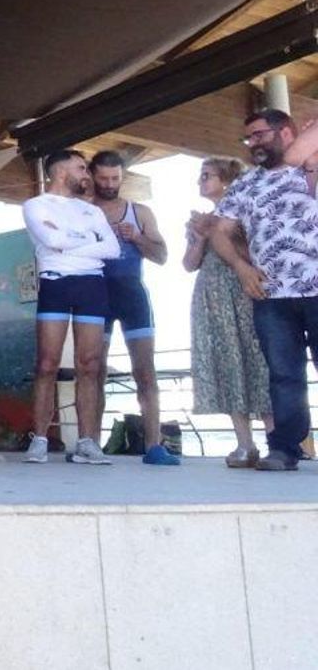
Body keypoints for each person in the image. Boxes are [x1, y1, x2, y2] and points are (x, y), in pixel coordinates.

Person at [211, 109, 318, 471]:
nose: (252, 144)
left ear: (286, 132)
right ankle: (285, 449)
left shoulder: (310, 165)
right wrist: (241, 267)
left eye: (259, 135)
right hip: (271, 294)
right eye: (249, 138)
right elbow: (220, 232)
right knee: (283, 374)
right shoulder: (245, 183)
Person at [22, 149, 119, 465]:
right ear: (61, 172)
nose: (86, 175)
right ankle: (39, 439)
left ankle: (87, 442)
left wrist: (70, 244)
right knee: (47, 363)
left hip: (92, 285)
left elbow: (112, 248)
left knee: (90, 364)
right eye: (81, 168)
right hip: (55, 282)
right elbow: (52, 242)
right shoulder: (35, 205)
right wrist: (89, 241)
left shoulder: (92, 211)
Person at [89, 149, 176, 466]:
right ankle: (91, 443)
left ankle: (154, 445)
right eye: (103, 178)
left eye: (115, 178)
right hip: (96, 296)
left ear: (122, 177)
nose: (109, 184)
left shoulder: (139, 212)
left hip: (132, 295)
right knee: (93, 371)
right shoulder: (85, 212)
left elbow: (162, 256)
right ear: (93, 176)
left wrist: (137, 237)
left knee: (144, 370)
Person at [183, 157, 272, 468]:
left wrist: (222, 234)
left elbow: (256, 254)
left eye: (207, 175)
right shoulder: (200, 219)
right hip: (213, 296)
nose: (201, 181)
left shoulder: (246, 213)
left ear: (226, 180)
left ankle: (276, 439)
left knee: (258, 361)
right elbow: (189, 264)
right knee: (227, 362)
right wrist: (200, 237)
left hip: (244, 291)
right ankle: (244, 443)